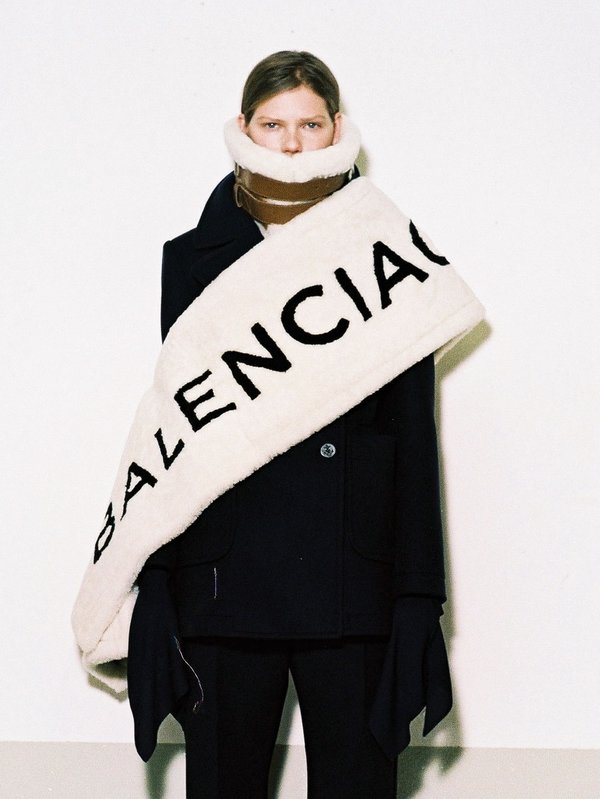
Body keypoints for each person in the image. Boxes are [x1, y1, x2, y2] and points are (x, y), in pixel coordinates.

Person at [73, 50, 484, 799]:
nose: (292, 143)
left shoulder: (388, 252)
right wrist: (156, 582)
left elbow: (413, 437)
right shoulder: (190, 259)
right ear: (243, 127)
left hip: (355, 585)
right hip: (223, 582)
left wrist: (420, 598)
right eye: (273, 124)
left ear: (337, 127)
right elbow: (181, 424)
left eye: (309, 124)